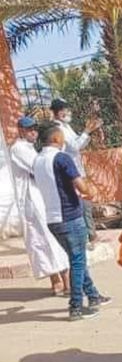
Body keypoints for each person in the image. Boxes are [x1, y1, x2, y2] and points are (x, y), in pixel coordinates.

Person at [33, 126, 111, 321]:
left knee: (77, 259)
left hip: (53, 219)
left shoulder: (38, 160)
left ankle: (93, 296)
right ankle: (76, 306)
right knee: (77, 261)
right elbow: (81, 185)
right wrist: (90, 191)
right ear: (57, 138)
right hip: (70, 217)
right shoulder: (61, 158)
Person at [10, 117, 69, 295]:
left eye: (35, 129)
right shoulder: (18, 148)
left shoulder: (33, 149)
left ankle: (63, 281)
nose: (33, 133)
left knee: (50, 239)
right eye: (29, 130)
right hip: (32, 201)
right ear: (21, 130)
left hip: (41, 199)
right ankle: (61, 282)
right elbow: (38, 169)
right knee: (44, 240)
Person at [49, 98, 102, 244]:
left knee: (85, 202)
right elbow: (74, 146)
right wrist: (86, 131)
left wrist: (89, 133)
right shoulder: (58, 128)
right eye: (66, 110)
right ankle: (89, 235)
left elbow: (80, 144)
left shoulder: (66, 126)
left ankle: (91, 234)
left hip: (77, 168)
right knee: (82, 202)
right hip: (70, 171)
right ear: (59, 112)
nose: (68, 112)